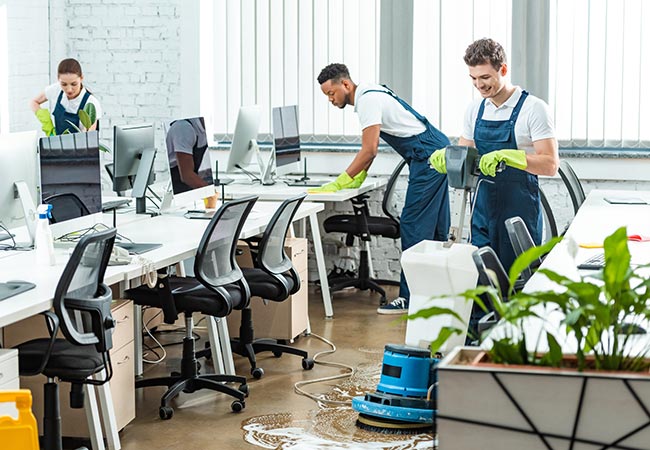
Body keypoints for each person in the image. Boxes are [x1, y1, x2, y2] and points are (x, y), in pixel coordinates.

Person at [315, 63, 450, 315]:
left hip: (428, 157)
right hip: (435, 150)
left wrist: (342, 180)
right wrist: (359, 175)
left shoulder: (366, 101)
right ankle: (438, 293)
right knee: (436, 227)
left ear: (345, 85)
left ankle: (410, 298)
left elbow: (370, 149)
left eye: (331, 94)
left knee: (413, 225)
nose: (331, 100)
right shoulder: (372, 92)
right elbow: (372, 149)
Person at [430, 38, 559, 272]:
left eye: (485, 77)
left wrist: (512, 157)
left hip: (518, 213)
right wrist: (449, 157)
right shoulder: (475, 109)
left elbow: (550, 165)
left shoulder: (534, 108)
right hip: (481, 208)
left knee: (516, 282)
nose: (479, 85)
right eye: (473, 78)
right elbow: (465, 155)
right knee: (481, 281)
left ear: (504, 69)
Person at [30, 58, 102, 135]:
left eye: (74, 84)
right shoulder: (56, 89)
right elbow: (34, 102)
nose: (69, 90)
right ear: (58, 79)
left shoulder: (91, 103)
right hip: (58, 144)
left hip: (81, 146)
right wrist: (48, 125)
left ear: (81, 78)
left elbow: (90, 138)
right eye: (64, 84)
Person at [166, 117, 213, 194]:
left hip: (190, 181)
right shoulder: (183, 128)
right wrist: (210, 193)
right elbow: (187, 176)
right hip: (176, 184)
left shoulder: (205, 129)